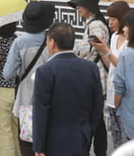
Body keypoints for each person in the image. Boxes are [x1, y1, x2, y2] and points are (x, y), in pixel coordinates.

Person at [33, 23, 104, 156]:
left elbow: (40, 110)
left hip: (53, 139)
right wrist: (88, 130)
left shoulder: (45, 70)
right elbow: (98, 104)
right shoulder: (90, 67)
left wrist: (38, 146)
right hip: (81, 135)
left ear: (52, 42)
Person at [3, 1, 55, 156]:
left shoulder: (19, 42)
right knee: (49, 143)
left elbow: (8, 74)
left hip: (26, 101)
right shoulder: (53, 40)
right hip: (52, 99)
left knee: (27, 143)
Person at [69, 0, 110, 156]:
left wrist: (71, 47)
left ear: (89, 6)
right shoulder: (95, 23)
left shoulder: (95, 26)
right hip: (97, 77)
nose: (78, 8)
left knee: (92, 120)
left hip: (96, 78)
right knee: (97, 120)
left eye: (80, 5)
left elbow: (88, 50)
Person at [90, 1, 131, 147]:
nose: (110, 22)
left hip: (125, 97)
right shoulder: (114, 37)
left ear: (123, 18)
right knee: (116, 138)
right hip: (112, 94)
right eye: (109, 19)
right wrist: (101, 50)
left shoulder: (130, 41)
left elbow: (124, 67)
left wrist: (106, 51)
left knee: (126, 139)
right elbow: (111, 66)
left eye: (113, 19)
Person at [0, 22, 20, 156]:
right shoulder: (18, 41)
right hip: (17, 89)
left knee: (3, 130)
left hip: (2, 89)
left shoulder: (0, 45)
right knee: (14, 129)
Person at [114, 11, 134, 140]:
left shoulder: (126, 55)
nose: (124, 29)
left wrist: (116, 103)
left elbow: (119, 85)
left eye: (127, 25)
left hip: (130, 114)